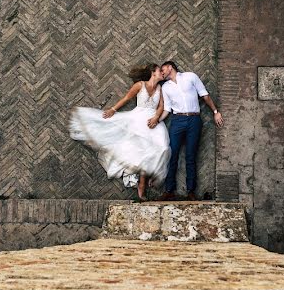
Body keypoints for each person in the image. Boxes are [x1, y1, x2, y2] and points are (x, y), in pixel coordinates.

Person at [68, 63, 170, 201]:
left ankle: (152, 175)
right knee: (143, 153)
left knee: (163, 147)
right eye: (160, 71)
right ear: (153, 72)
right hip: (138, 119)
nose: (162, 73)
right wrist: (113, 110)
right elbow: (126, 98)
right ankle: (142, 184)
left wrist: (156, 118)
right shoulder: (140, 85)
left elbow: (161, 106)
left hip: (153, 120)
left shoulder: (160, 88)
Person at [158, 61, 224, 201]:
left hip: (194, 120)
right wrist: (157, 121)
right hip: (177, 121)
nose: (161, 72)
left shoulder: (190, 77)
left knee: (190, 156)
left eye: (163, 69)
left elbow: (204, 95)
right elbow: (167, 109)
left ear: (170, 67)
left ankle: (191, 191)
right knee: (172, 154)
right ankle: (169, 190)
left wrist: (215, 111)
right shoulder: (165, 87)